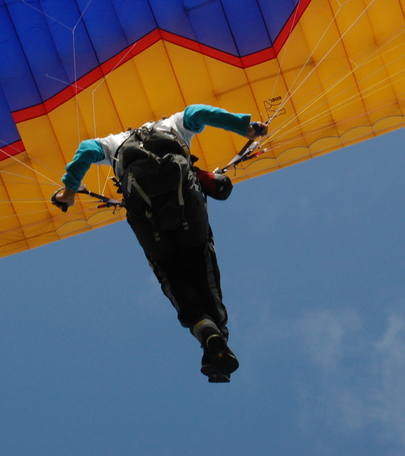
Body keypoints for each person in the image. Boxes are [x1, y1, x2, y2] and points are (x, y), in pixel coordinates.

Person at [52, 104, 267, 383]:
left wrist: (69, 192)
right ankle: (214, 336)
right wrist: (246, 128)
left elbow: (85, 150)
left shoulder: (113, 144)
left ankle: (206, 332)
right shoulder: (175, 124)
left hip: (147, 220)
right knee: (202, 266)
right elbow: (200, 113)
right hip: (187, 210)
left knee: (171, 273)